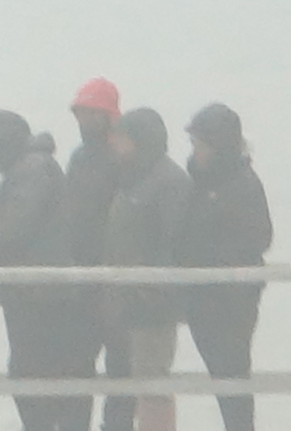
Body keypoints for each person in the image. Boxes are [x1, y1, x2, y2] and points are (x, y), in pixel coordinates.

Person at [0, 111, 87, 431]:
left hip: (40, 296)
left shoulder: (32, 171)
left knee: (33, 374)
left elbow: (18, 226)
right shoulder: (33, 168)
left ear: (4, 145)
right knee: (44, 375)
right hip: (36, 294)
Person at [175, 104, 272, 431]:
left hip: (232, 299)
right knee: (223, 376)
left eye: (200, 145)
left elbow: (258, 236)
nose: (195, 152)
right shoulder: (199, 183)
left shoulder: (243, 183)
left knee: (232, 375)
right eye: (194, 145)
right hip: (202, 297)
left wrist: (207, 258)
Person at [101, 107, 190, 431]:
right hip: (126, 299)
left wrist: (153, 282)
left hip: (153, 301)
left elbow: (177, 241)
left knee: (153, 382)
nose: (115, 146)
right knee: (131, 379)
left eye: (122, 139)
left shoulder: (169, 181)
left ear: (142, 141)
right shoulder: (134, 178)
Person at [62, 78, 124, 430]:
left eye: (91, 113)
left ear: (108, 116)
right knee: (77, 365)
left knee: (121, 369)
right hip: (81, 277)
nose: (83, 121)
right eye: (80, 113)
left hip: (111, 278)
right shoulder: (79, 156)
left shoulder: (122, 157)